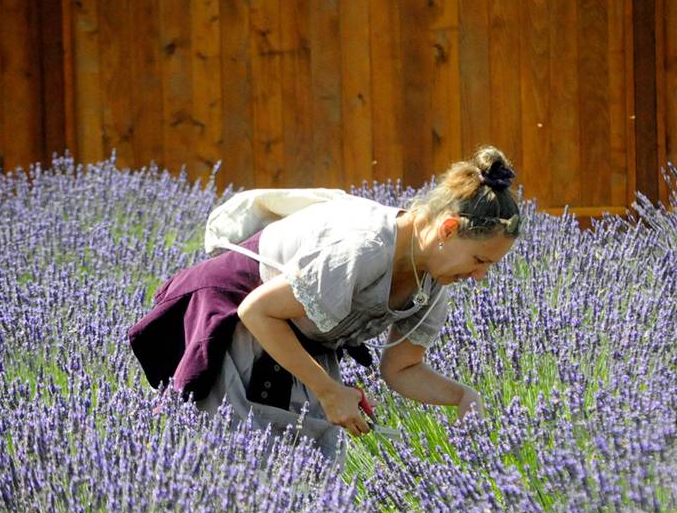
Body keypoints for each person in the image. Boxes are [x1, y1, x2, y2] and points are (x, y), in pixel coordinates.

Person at [128, 145, 523, 466]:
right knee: (234, 467)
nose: (480, 278)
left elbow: (402, 368)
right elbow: (257, 311)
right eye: (479, 261)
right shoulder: (365, 247)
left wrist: (463, 397)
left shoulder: (434, 279)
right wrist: (329, 391)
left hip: (297, 339)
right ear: (448, 229)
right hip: (240, 323)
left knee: (310, 477)